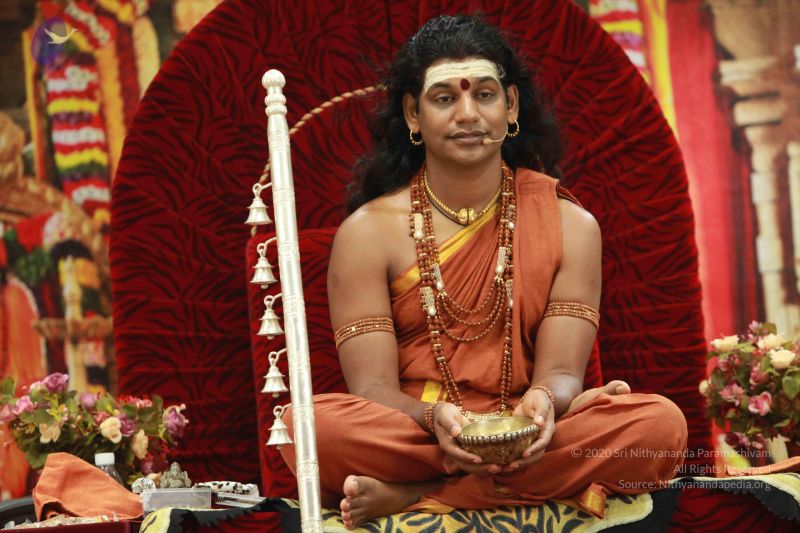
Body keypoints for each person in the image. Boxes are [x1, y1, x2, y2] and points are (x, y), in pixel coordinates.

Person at [279, 14, 687, 530]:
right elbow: (372, 387)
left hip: (528, 431)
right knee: (305, 427)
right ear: (413, 114)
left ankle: (418, 494)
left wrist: (542, 404)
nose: (468, 114)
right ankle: (490, 484)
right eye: (444, 98)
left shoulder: (570, 224)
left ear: (510, 105)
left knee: (658, 428)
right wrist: (436, 420)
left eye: (485, 95)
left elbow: (563, 374)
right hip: (420, 431)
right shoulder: (368, 232)